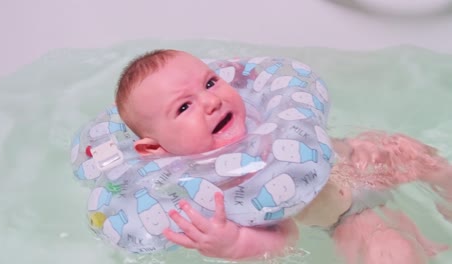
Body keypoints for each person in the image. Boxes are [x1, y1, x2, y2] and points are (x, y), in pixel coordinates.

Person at [115, 49, 452, 263]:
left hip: (355, 157)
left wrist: (359, 152)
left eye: (210, 83)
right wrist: (233, 242)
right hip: (349, 215)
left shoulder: (256, 111)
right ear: (154, 149)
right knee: (392, 253)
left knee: (408, 149)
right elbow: (285, 238)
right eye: (184, 107)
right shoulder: (215, 189)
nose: (211, 101)